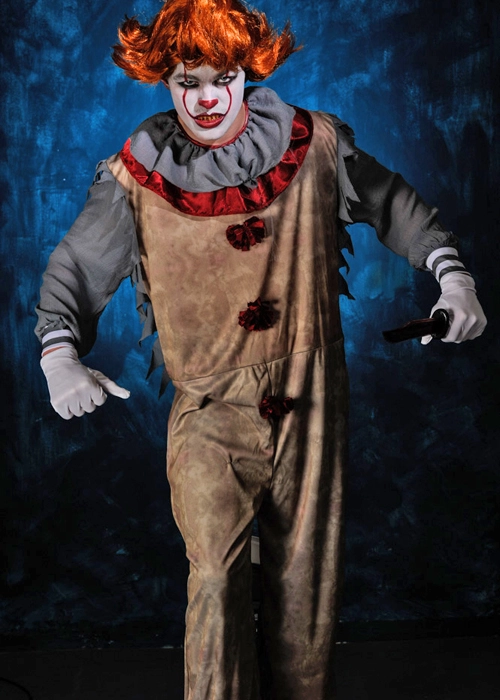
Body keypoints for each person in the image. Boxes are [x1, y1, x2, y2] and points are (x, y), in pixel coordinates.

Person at [35, 1, 487, 698]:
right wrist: (58, 357)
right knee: (215, 578)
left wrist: (452, 278)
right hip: (211, 411)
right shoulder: (137, 175)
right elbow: (76, 267)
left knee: (305, 586)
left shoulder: (315, 144)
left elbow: (392, 204)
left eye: (223, 78)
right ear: (166, 83)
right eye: (188, 83)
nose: (206, 99)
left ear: (248, 73)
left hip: (312, 404)